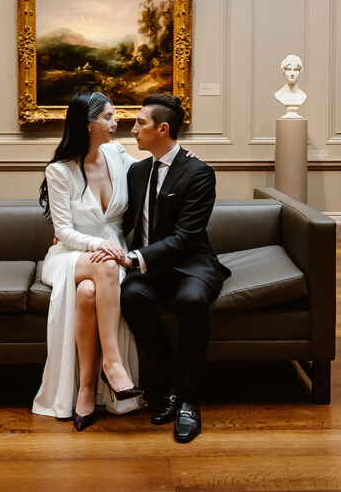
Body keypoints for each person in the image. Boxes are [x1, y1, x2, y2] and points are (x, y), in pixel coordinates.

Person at [118, 93, 231, 444]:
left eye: (140, 123)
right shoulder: (136, 171)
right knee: (131, 296)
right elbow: (120, 220)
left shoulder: (199, 173)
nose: (133, 129)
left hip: (191, 262)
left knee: (191, 302)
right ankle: (172, 382)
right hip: (153, 269)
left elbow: (185, 238)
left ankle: (189, 399)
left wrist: (135, 258)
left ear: (162, 128)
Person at [31, 92, 146, 431]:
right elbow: (63, 231)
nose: (117, 123)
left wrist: (184, 157)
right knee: (107, 264)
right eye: (109, 117)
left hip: (107, 255)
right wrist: (101, 245)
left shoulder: (117, 154)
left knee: (88, 295)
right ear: (88, 124)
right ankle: (113, 366)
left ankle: (84, 391)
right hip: (69, 255)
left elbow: (152, 172)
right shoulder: (59, 170)